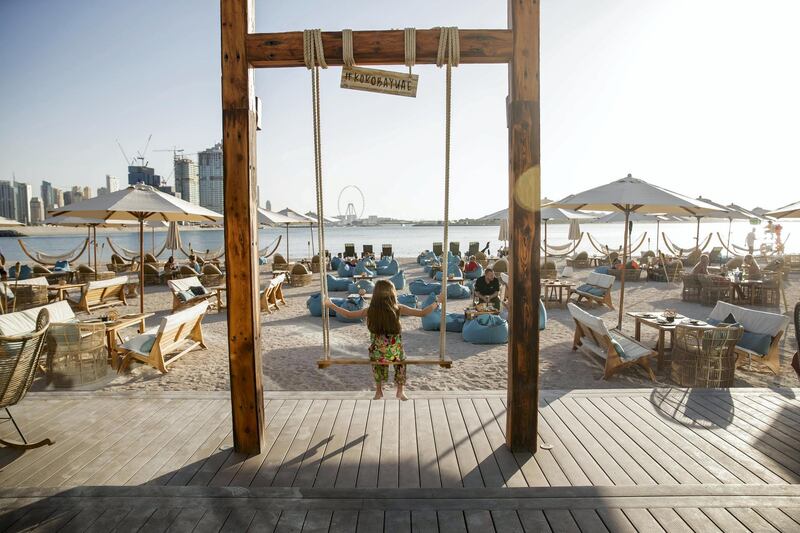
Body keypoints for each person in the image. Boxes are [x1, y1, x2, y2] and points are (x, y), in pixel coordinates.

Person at [325, 280, 440, 401]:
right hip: (395, 353)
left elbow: (348, 314)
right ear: (392, 293)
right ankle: (400, 391)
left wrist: (331, 304)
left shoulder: (370, 311)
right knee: (401, 362)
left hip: (377, 353)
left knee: (377, 361)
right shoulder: (398, 308)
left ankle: (379, 391)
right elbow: (422, 313)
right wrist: (437, 302)